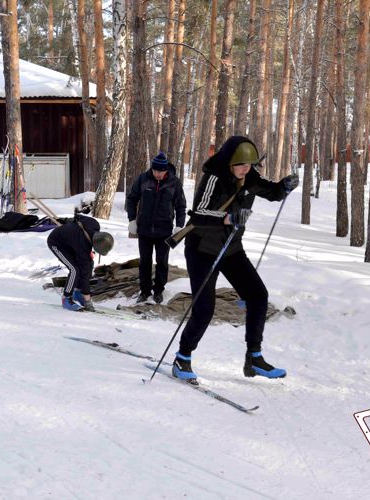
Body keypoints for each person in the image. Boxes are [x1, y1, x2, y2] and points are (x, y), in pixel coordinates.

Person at [173, 136, 299, 382]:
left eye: (250, 165)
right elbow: (198, 214)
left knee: (257, 295)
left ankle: (254, 357)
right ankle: (183, 357)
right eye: (241, 165)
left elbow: (272, 193)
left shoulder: (249, 178)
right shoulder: (213, 177)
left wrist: (284, 186)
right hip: (202, 248)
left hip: (231, 247)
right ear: (229, 161)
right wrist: (228, 219)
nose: (246, 170)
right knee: (204, 309)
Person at [126, 152, 186, 304]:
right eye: (155, 170)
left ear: (166, 170)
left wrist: (179, 226)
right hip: (144, 230)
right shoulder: (143, 179)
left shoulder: (174, 183)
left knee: (162, 262)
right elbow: (132, 199)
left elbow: (181, 205)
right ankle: (145, 291)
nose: (158, 174)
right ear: (152, 169)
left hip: (164, 231)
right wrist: (132, 220)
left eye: (161, 171)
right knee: (144, 262)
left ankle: (158, 290)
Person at [47, 213, 114, 311]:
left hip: (71, 242)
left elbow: (79, 217)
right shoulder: (82, 246)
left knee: (89, 264)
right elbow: (84, 272)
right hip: (56, 243)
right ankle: (66, 298)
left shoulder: (94, 224)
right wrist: (87, 298)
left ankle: (78, 293)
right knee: (75, 270)